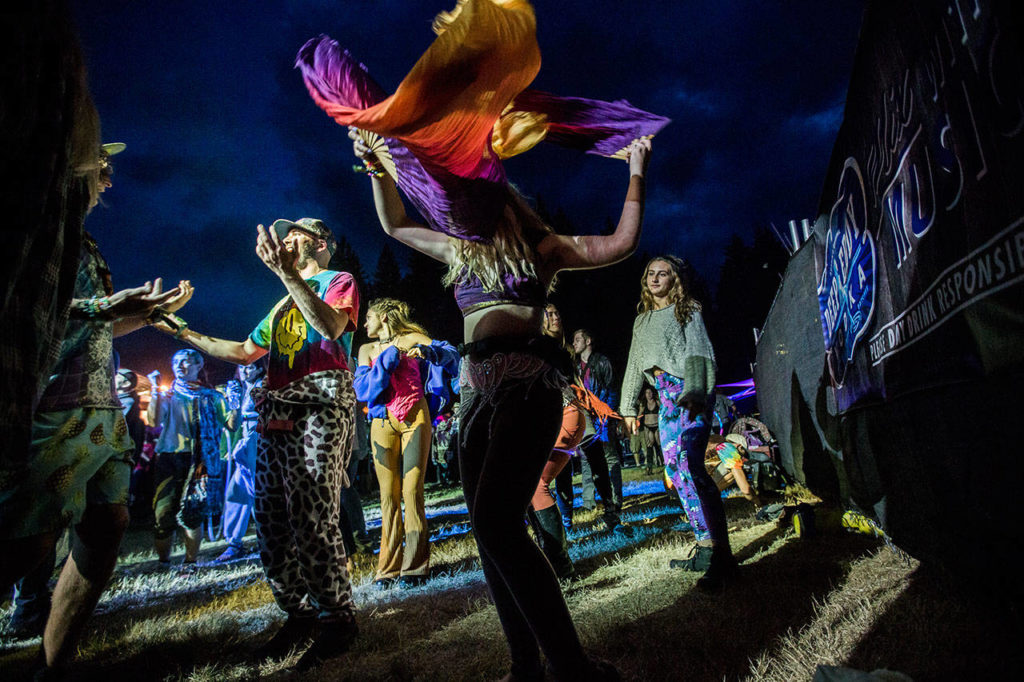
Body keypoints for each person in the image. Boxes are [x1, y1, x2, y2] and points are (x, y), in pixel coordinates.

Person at [0, 139, 187, 676]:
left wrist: (144, 315)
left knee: (109, 524)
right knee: (26, 542)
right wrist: (108, 305)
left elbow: (95, 321)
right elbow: (28, 306)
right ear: (68, 169)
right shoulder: (35, 228)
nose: (109, 181)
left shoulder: (82, 241)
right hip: (58, 410)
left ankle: (54, 666)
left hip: (102, 413)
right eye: (101, 170)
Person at [147, 217, 360, 671]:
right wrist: (181, 331)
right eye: (283, 235)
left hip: (320, 407)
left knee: (311, 516)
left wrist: (288, 275)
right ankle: (299, 616)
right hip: (276, 414)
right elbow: (243, 352)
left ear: (321, 243)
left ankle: (337, 619)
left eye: (296, 234)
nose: (285, 240)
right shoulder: (283, 302)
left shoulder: (337, 280)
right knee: (270, 520)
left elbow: (331, 329)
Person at [620, 256, 737, 591]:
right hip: (664, 398)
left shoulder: (688, 310)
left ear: (675, 279)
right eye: (651, 273)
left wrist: (696, 391)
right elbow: (633, 364)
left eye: (664, 273)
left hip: (690, 393)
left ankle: (722, 555)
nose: (656, 278)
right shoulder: (641, 322)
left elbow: (700, 352)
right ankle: (703, 547)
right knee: (676, 472)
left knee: (693, 466)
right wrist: (628, 407)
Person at [354, 298, 458, 589]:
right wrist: (388, 358)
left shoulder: (413, 337)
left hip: (416, 416)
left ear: (385, 317)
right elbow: (363, 390)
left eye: (369, 317)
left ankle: (414, 567)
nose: (365, 324)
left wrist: (427, 351)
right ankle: (387, 569)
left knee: (412, 492)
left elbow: (450, 353)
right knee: (388, 497)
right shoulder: (366, 350)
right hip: (381, 422)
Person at [147, 349, 237, 570]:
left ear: (198, 366)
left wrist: (235, 402)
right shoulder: (168, 396)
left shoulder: (213, 397)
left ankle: (190, 562)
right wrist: (155, 391)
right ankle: (163, 562)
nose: (179, 366)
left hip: (200, 461)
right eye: (176, 362)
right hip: (170, 458)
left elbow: (231, 425)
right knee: (163, 513)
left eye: (186, 362)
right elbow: (153, 421)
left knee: (192, 512)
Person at [572, 328, 624, 529]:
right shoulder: (576, 367)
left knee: (609, 456)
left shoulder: (601, 362)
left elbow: (611, 389)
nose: (574, 343)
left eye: (578, 339)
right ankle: (588, 503)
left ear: (588, 340)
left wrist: (608, 415)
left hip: (602, 416)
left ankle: (615, 500)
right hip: (587, 418)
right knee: (587, 458)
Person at [216, 361, 266, 562]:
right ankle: (234, 542)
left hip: (260, 443)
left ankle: (268, 538)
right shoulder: (236, 388)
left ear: (260, 369)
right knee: (237, 492)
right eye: (243, 367)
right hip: (242, 447)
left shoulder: (264, 385)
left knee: (260, 491)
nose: (246, 371)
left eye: (251, 367)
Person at [636, 385, 663, 474]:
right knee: (649, 446)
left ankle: (664, 463)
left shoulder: (657, 402)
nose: (649, 394)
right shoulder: (643, 404)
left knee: (659, 445)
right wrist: (636, 425)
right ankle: (649, 467)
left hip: (657, 426)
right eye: (647, 393)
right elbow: (639, 415)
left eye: (650, 392)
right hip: (648, 426)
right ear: (645, 394)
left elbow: (663, 410)